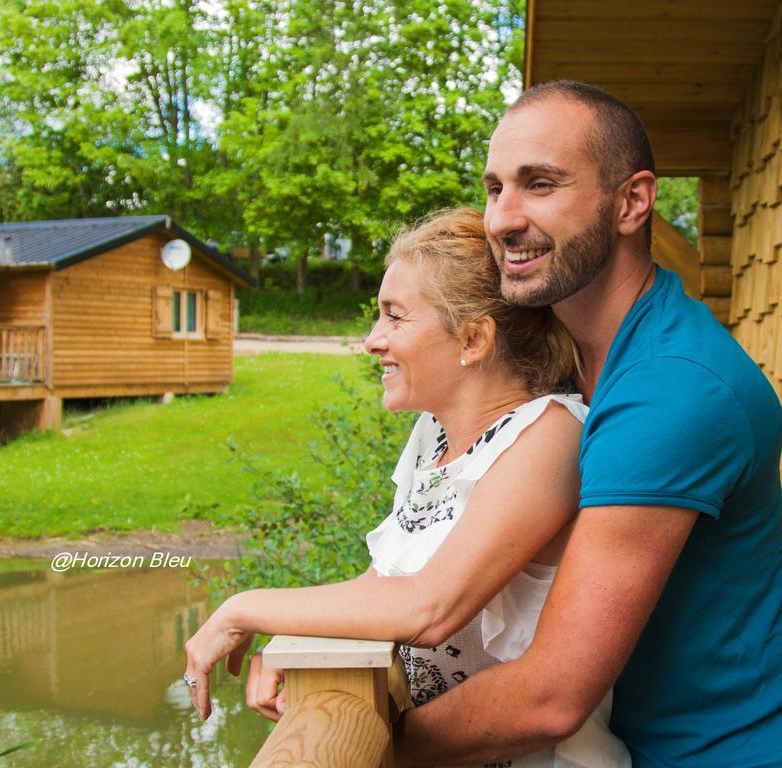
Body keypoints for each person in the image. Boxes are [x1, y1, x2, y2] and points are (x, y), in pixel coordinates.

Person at [388, 81, 782, 768]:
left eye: (539, 184)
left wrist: (381, 748)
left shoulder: (672, 390)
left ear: (632, 202)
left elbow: (550, 698)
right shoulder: (561, 361)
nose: (503, 219)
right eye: (494, 188)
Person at [183, 207, 632, 767]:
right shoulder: (433, 435)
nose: (373, 341)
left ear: (473, 338)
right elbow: (383, 586)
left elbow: (430, 607)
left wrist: (243, 610)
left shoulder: (548, 436)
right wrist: (298, 639)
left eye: (395, 318)